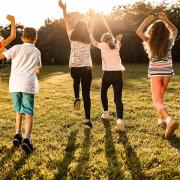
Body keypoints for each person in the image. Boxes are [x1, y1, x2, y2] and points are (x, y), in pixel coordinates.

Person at [136, 12, 179, 138]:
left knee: (156, 101)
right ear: (165, 32)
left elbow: (138, 31)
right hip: (167, 72)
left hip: (156, 73)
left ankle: (169, 120)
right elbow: (175, 30)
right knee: (160, 97)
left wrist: (147, 19)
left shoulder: (149, 41)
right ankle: (161, 120)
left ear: (152, 31)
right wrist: (166, 20)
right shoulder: (169, 41)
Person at [0, 27, 42, 153]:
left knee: (18, 110)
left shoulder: (16, 48)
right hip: (28, 85)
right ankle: (27, 139)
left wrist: (3, 47)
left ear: (22, 38)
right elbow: (38, 70)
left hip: (14, 85)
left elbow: (1, 56)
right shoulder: (37, 52)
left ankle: (17, 134)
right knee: (28, 112)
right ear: (35, 38)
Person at [58, 0, 93, 128]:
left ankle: (77, 98)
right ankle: (87, 121)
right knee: (87, 94)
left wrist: (64, 10)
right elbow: (91, 28)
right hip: (86, 68)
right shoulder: (88, 39)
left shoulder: (71, 36)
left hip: (74, 67)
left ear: (76, 29)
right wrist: (92, 18)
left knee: (75, 81)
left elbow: (66, 23)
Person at [90, 29, 126, 132]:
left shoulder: (103, 45)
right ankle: (119, 120)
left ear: (103, 40)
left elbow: (94, 42)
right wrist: (119, 39)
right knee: (118, 99)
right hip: (118, 74)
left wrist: (91, 33)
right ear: (111, 39)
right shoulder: (116, 46)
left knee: (103, 92)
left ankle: (106, 113)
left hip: (107, 74)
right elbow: (118, 43)